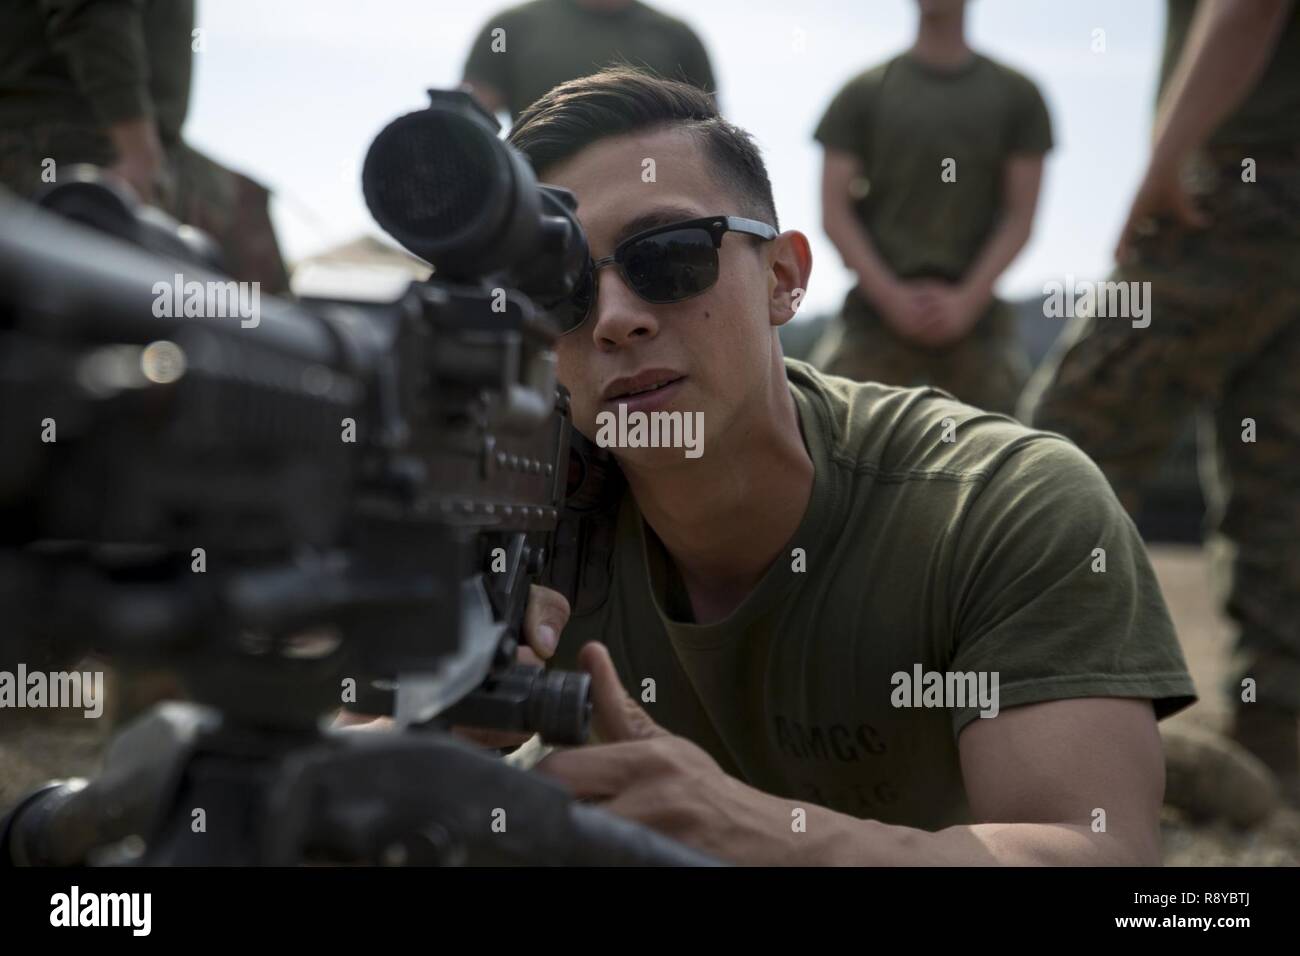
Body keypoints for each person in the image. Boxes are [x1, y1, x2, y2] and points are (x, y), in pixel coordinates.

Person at [415, 66, 1198, 866]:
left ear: (782, 279)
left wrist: (752, 833)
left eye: (671, 256)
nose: (616, 320)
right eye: (563, 288)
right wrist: (428, 738)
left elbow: (1095, 854)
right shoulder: (509, 505)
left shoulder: (1000, 504)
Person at [1021, 0, 1300, 805]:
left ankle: (1024, 718)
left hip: (1237, 190)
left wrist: (1163, 162)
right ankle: (1273, 746)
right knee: (1276, 479)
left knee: (1057, 450)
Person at [808, 0, 1051, 417]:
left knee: (1015, 457)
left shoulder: (1018, 95)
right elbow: (835, 213)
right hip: (875, 313)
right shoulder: (863, 92)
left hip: (976, 319)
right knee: (819, 429)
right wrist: (891, 297)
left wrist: (965, 301)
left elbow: (1020, 218)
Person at [0, 0, 289, 293]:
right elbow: (91, 9)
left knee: (246, 204)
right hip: (69, 136)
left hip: (131, 136)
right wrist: (135, 147)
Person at [460, 0, 716, 121]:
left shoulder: (677, 37)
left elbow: (710, 134)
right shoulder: (509, 28)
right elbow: (468, 120)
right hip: (541, 194)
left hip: (648, 195)